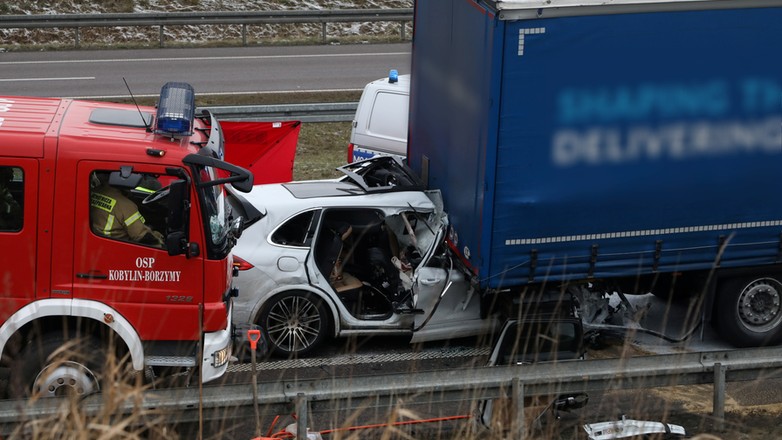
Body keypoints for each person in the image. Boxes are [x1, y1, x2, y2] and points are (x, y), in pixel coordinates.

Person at [90, 173, 164, 247]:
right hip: (117, 246)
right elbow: (141, 235)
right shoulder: (126, 206)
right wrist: (159, 244)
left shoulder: (94, 192)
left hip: (99, 240)